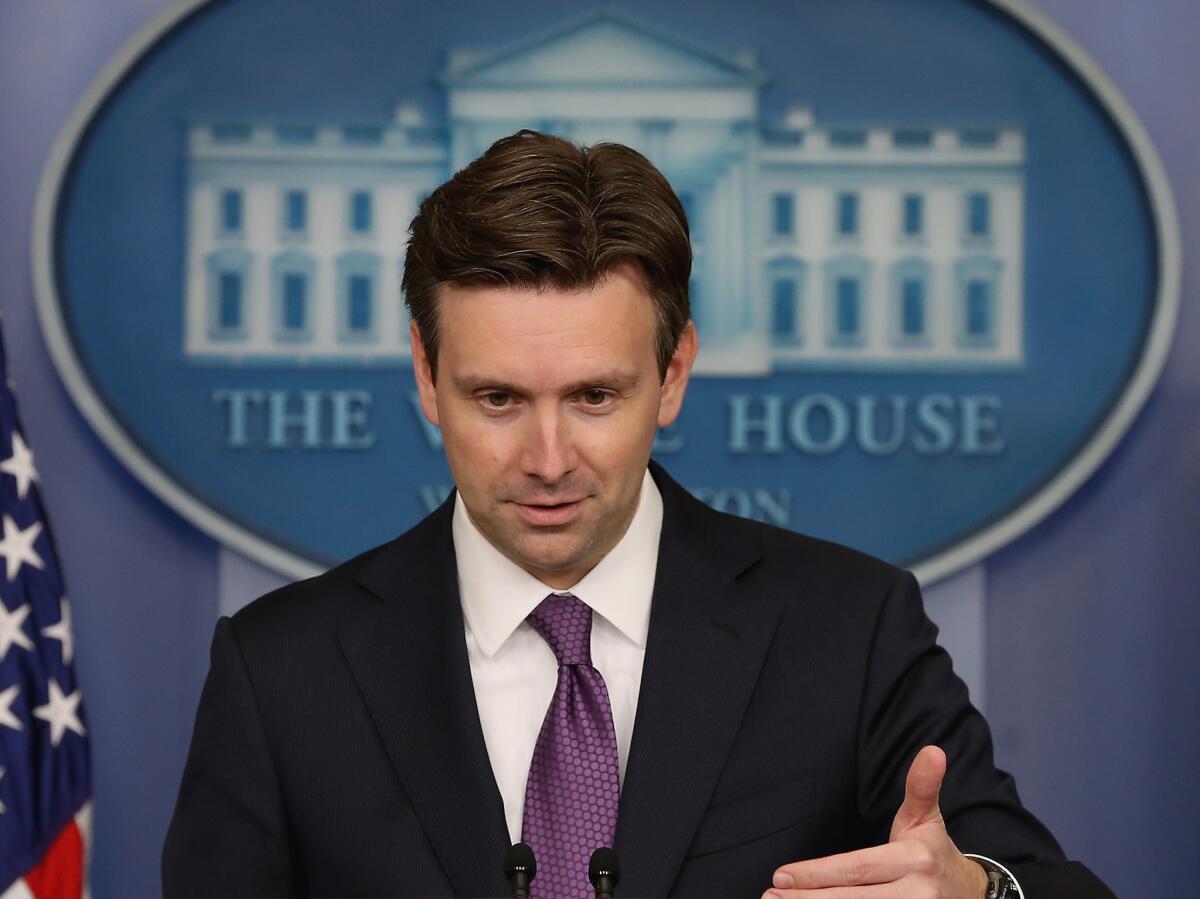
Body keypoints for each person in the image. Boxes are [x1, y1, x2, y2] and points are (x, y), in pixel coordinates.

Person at [163, 130, 1114, 898]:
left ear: (673, 373)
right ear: (425, 375)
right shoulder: (280, 670)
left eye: (594, 397)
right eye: (496, 399)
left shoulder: (849, 628)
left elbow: (1048, 885)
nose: (545, 459)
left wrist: (974, 893)